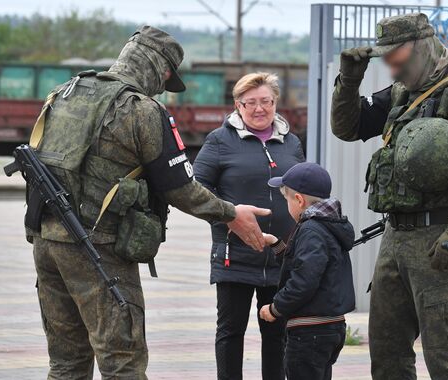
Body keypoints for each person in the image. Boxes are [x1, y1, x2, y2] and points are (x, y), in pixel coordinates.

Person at [29, 26, 270, 379]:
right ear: (159, 69)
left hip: (47, 244)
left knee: (66, 364)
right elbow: (180, 189)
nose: (162, 88)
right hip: (99, 251)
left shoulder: (65, 92)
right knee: (123, 363)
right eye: (166, 78)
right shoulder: (141, 110)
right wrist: (231, 214)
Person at [330, 13, 448, 380]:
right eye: (385, 60)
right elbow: (348, 128)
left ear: (421, 45)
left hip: (442, 242)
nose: (391, 70)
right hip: (396, 239)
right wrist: (349, 81)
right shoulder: (404, 91)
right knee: (386, 355)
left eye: (395, 59)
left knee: (445, 358)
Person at [193, 72, 305, 380]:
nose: (259, 109)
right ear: (238, 105)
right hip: (235, 255)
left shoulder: (291, 142)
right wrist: (228, 213)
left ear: (275, 103)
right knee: (231, 333)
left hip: (282, 255)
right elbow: (195, 188)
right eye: (250, 102)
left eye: (266, 101)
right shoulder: (219, 140)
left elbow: (302, 192)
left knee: (277, 334)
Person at [259, 162, 356, 380]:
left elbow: (304, 281)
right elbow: (310, 266)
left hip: (309, 331)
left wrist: (275, 308)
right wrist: (276, 245)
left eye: (286, 199)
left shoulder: (311, 229)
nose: (287, 205)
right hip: (330, 327)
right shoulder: (330, 225)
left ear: (299, 200)